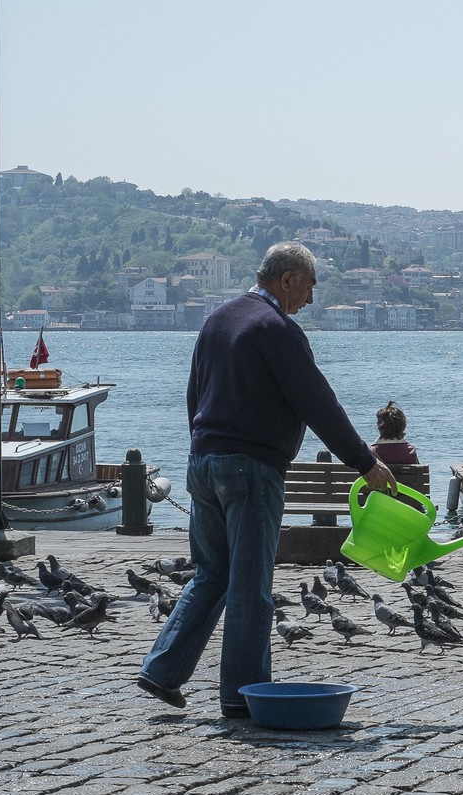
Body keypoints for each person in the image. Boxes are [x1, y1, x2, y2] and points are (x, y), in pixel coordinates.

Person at [136, 242, 396, 717]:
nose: (312, 299)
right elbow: (318, 403)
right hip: (251, 470)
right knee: (251, 586)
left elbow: (194, 394)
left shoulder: (217, 320)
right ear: (289, 280)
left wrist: (202, 447)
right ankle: (241, 696)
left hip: (203, 462)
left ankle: (162, 670)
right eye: (311, 285)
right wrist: (364, 462)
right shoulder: (278, 330)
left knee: (211, 573)